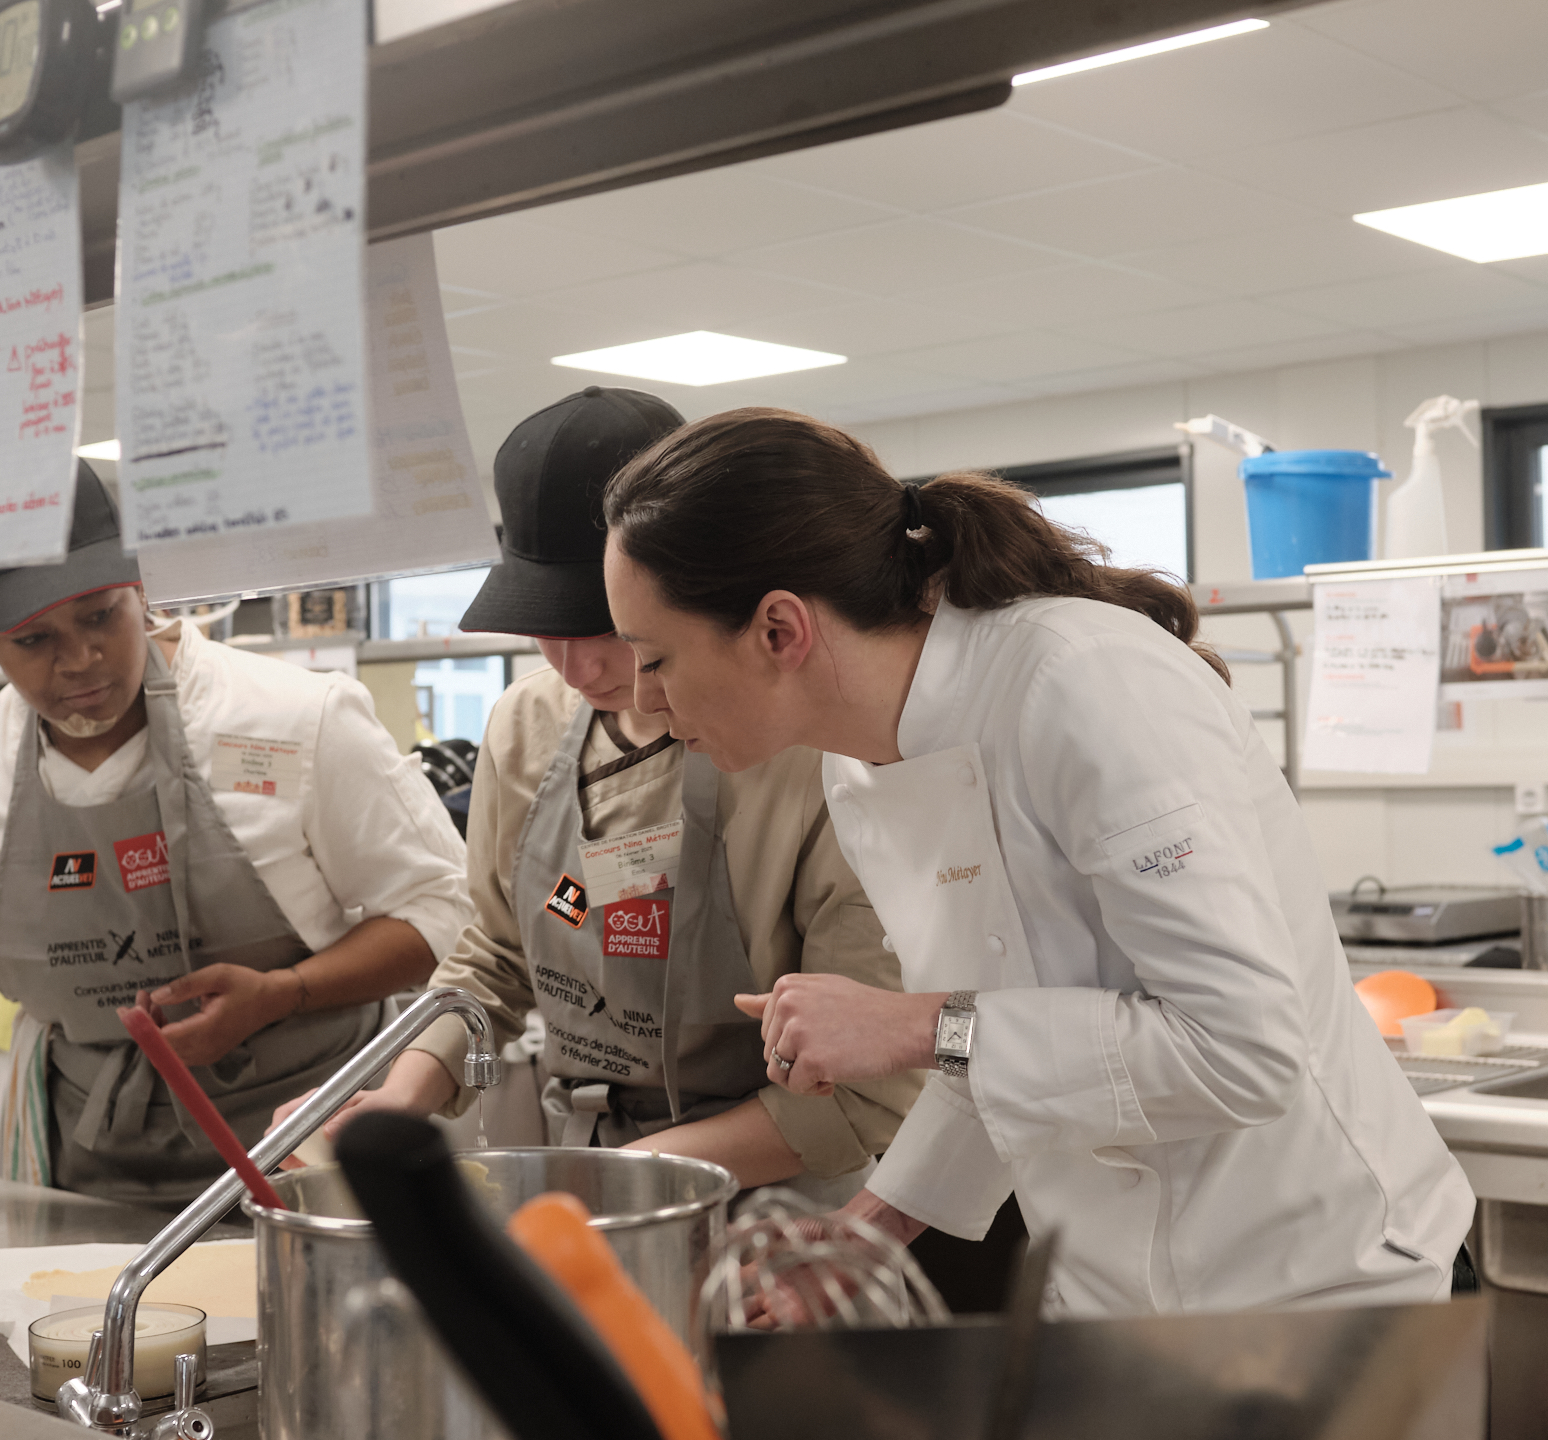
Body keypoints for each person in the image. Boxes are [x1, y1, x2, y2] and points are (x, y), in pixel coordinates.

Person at [599, 407, 1475, 1315]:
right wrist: (866, 1231)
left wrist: (913, 1024)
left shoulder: (1085, 681)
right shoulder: (858, 771)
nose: (641, 700)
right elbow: (996, 1049)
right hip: (1113, 1301)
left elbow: (1243, 1052)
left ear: (780, 630)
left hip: (1326, 1283)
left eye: (654, 657)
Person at [0, 465, 472, 1205]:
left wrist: (283, 994)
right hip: (95, 1175)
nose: (80, 660)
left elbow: (444, 910)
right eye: (34, 638)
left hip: (320, 1150)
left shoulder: (292, 718)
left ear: (142, 591)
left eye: (99, 616)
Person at [282, 387, 920, 1205]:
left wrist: (623, 1184)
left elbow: (865, 1094)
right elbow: (500, 950)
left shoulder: (809, 752)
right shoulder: (528, 724)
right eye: (545, 629)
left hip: (775, 1202)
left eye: (609, 631)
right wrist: (404, 1092)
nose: (576, 669)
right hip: (580, 1167)